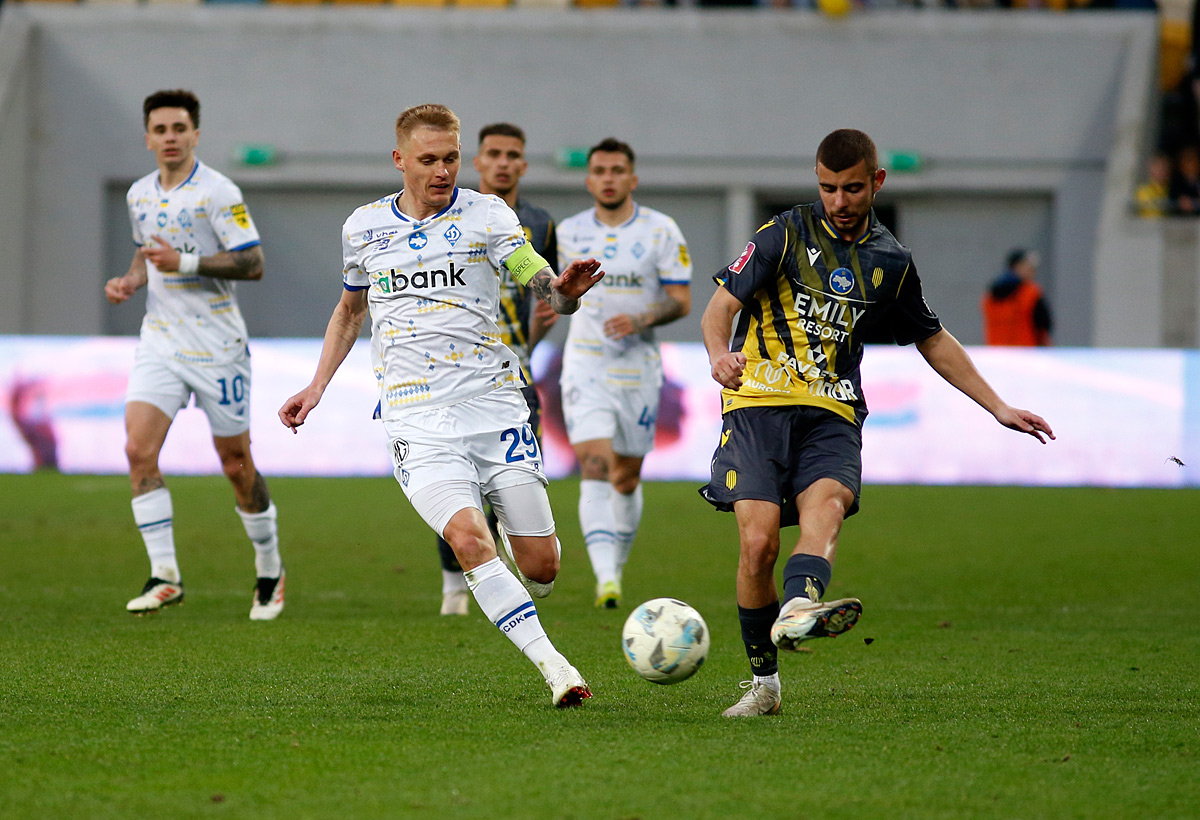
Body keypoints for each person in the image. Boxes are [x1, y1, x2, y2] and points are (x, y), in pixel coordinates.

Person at [700, 128, 1054, 718]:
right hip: (757, 404)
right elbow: (721, 308)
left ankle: (800, 606)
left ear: (877, 182)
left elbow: (932, 338)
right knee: (758, 544)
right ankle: (765, 684)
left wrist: (997, 406)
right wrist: (718, 355)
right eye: (828, 188)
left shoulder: (891, 261)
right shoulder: (783, 233)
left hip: (833, 410)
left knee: (829, 504)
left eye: (852, 188)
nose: (838, 201)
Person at [278, 104, 603, 708]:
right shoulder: (364, 228)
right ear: (399, 160)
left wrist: (562, 293)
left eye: (450, 158)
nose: (442, 170)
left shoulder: (488, 213)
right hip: (416, 417)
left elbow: (532, 273)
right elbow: (350, 311)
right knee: (469, 541)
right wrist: (316, 386)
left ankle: (519, 551)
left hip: (494, 406)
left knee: (542, 568)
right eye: (428, 160)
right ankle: (557, 669)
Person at [104, 89, 285, 620]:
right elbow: (147, 253)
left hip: (217, 347)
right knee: (138, 449)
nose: (170, 138)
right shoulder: (139, 194)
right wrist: (131, 280)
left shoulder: (218, 192)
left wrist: (183, 263)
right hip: (160, 341)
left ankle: (270, 568)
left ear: (195, 135)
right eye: (160, 130)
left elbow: (252, 263)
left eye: (179, 129)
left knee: (236, 464)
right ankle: (165, 575)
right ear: (147, 138)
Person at [557, 138, 693, 609]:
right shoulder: (569, 233)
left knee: (627, 478)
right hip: (586, 363)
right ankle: (607, 579)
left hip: (638, 368)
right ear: (589, 179)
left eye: (617, 170)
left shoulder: (661, 230)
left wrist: (640, 319)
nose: (609, 178)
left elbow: (681, 301)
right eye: (600, 170)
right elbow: (557, 297)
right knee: (595, 466)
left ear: (632, 179)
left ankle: (615, 565)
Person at [435, 122, 560, 617]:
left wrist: (537, 332)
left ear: (523, 165)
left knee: (517, 481)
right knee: (456, 486)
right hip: (459, 377)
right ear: (478, 162)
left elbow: (547, 299)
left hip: (517, 376)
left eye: (512, 155)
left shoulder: (541, 225)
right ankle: (453, 586)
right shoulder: (449, 215)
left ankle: (514, 559)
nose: (503, 163)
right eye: (494, 154)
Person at [981, 248, 1053, 346]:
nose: (1033, 272)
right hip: (1024, 352)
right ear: (1017, 266)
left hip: (996, 352)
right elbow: (1043, 329)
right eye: (1029, 267)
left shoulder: (990, 295)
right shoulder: (1031, 293)